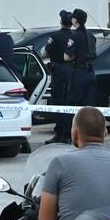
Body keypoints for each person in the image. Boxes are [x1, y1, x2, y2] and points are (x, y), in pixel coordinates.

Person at [45, 10, 75, 143]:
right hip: (73, 71)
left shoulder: (55, 36)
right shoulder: (75, 36)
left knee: (58, 101)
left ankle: (60, 134)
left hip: (58, 70)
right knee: (70, 102)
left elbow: (44, 53)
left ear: (61, 22)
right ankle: (69, 134)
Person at [67, 8, 97, 108]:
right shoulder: (91, 36)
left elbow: (66, 57)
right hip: (91, 72)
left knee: (74, 102)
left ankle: (74, 123)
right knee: (87, 103)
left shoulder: (74, 36)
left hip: (79, 72)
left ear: (75, 20)